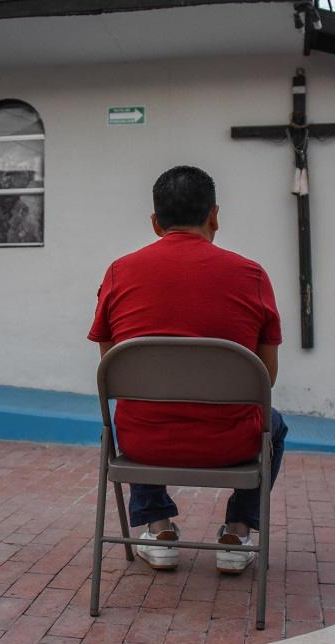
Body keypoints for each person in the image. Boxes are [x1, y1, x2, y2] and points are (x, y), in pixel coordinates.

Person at [88, 165, 289, 574]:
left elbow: (111, 370)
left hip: (143, 444)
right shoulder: (251, 276)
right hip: (231, 445)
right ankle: (236, 533)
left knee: (133, 408)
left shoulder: (118, 273)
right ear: (214, 215)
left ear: (155, 222)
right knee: (276, 424)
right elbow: (265, 378)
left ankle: (159, 529)